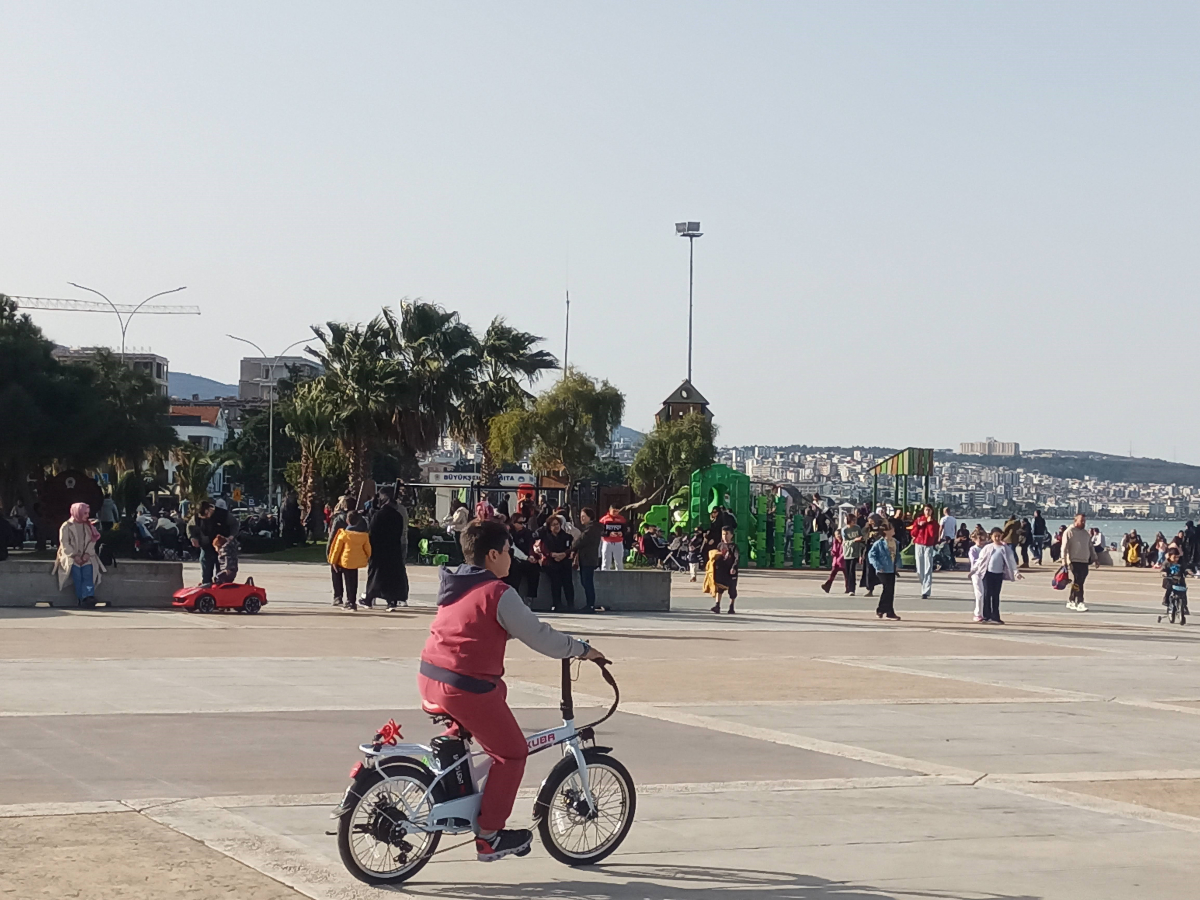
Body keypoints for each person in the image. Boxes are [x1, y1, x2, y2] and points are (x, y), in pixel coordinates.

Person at [418, 519, 606, 861]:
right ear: (492, 554)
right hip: (463, 687)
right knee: (512, 753)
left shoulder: (456, 584)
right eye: (508, 551)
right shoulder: (498, 593)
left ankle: (457, 788)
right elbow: (540, 636)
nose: (512, 558)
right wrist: (581, 649)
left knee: (496, 693)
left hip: (432, 676)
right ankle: (489, 835)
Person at [365, 486, 410, 611]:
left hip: (379, 549)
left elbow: (372, 532)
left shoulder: (378, 515)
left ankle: (370, 597)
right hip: (393, 548)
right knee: (393, 573)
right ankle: (392, 600)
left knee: (376, 573)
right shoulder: (398, 515)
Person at [53, 502, 105, 605]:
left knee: (88, 572)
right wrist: (74, 555)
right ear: (77, 512)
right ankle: (82, 598)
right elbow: (64, 544)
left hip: (87, 556)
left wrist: (87, 554)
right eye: (85, 513)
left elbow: (92, 541)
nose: (87, 516)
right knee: (77, 573)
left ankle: (89, 596)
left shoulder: (88, 526)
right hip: (70, 556)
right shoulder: (66, 526)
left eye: (87, 513)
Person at [971, 527, 1022, 624]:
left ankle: (995, 616)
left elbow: (1011, 561)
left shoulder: (1005, 548)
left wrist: (1016, 572)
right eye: (995, 536)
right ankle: (986, 616)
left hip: (998, 575)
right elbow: (980, 560)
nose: (997, 538)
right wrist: (973, 570)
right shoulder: (988, 547)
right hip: (987, 574)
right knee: (987, 594)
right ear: (991, 536)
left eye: (999, 536)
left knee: (995, 595)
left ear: (1002, 536)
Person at [329, 511, 372, 611]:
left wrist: (333, 561)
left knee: (347, 581)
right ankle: (352, 601)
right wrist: (367, 557)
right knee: (353, 582)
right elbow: (368, 550)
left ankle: (348, 602)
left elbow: (336, 550)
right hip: (355, 562)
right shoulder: (363, 536)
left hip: (345, 561)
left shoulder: (343, 535)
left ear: (347, 521)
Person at [536, 515, 574, 611]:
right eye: (553, 525)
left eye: (557, 524)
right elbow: (543, 549)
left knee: (567, 582)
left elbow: (570, 549)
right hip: (551, 563)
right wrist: (553, 555)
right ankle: (557, 604)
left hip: (564, 562)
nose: (556, 527)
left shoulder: (567, 537)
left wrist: (563, 554)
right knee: (556, 582)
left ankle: (571, 604)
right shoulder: (546, 538)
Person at [1061, 514, 1096, 612]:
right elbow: (1064, 547)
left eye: (1084, 521)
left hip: (1084, 560)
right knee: (1078, 580)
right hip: (1073, 560)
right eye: (1082, 521)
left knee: (1079, 581)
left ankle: (1071, 600)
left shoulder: (1085, 533)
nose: (1084, 523)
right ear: (1075, 521)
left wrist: (1095, 557)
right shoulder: (1069, 532)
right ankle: (1080, 602)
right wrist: (1064, 561)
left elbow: (1090, 546)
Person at [867, 522, 900, 620]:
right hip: (882, 570)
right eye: (891, 528)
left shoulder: (895, 542)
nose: (894, 530)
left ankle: (888, 611)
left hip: (891, 569)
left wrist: (898, 564)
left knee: (890, 591)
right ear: (886, 531)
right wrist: (877, 565)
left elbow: (897, 555)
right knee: (887, 589)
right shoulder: (879, 543)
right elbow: (871, 555)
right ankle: (881, 610)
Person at [505, 515, 540, 602]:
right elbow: (512, 548)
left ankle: (530, 596)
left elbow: (531, 546)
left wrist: (531, 556)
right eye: (520, 523)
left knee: (534, 569)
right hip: (513, 559)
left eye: (524, 523)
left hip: (526, 558)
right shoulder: (509, 533)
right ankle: (514, 596)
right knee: (514, 571)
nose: (522, 525)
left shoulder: (527, 533)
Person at [574, 507, 602, 613]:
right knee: (585, 581)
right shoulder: (590, 528)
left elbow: (580, 541)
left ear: (590, 517)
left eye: (584, 517)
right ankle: (589, 604)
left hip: (588, 559)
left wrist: (572, 547)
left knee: (587, 582)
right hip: (586, 558)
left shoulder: (591, 529)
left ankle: (590, 604)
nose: (582, 519)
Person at [706, 526, 739, 614]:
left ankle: (731, 606)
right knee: (719, 588)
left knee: (732, 590)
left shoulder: (734, 547)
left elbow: (737, 558)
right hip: (722, 570)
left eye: (727, 534)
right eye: (723, 534)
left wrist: (734, 567)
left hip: (731, 571)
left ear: (731, 535)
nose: (725, 536)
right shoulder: (720, 545)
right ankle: (717, 605)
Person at [909, 505, 938, 600]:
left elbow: (933, 534)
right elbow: (913, 533)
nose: (928, 511)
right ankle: (923, 583)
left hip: (928, 545)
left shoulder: (934, 522)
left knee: (928, 567)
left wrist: (929, 524)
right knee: (920, 568)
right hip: (919, 544)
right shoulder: (918, 520)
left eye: (929, 510)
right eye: (926, 510)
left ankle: (925, 591)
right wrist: (920, 525)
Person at [1160, 546, 1189, 623]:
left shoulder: (1181, 562)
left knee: (1184, 590)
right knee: (1169, 588)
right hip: (1170, 579)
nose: (1176, 559)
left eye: (1177, 557)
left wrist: (1188, 571)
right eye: (1174, 557)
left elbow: (1185, 568)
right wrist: (1164, 573)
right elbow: (1163, 569)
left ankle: (1184, 605)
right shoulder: (1167, 563)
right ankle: (1166, 600)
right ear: (1169, 556)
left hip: (1180, 580)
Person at [839, 513, 864, 595]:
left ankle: (852, 589)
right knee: (847, 571)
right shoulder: (844, 530)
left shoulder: (857, 528)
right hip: (847, 552)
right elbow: (845, 542)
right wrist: (854, 540)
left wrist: (861, 554)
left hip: (855, 552)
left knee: (852, 570)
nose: (855, 522)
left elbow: (861, 540)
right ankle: (848, 587)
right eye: (853, 520)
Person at [967, 530, 988, 622]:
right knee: (979, 593)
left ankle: (984, 613)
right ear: (974, 539)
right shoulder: (973, 549)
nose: (981, 541)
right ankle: (978, 613)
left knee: (985, 593)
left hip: (986, 572)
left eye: (983, 539)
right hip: (976, 573)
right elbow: (974, 561)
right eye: (979, 539)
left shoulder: (987, 548)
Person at [599, 506, 627, 571]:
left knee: (619, 562)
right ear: (610, 510)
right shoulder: (604, 519)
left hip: (618, 542)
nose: (615, 513)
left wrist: (622, 533)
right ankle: (605, 577)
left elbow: (625, 530)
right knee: (606, 561)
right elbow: (600, 531)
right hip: (607, 542)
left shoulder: (622, 519)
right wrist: (609, 534)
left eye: (617, 511)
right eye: (614, 511)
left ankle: (620, 578)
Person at [820, 529, 845, 594]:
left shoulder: (844, 541)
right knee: (832, 575)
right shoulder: (835, 542)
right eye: (837, 535)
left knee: (847, 576)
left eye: (839, 534)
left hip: (843, 561)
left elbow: (844, 552)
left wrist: (840, 558)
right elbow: (834, 550)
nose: (838, 536)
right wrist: (832, 552)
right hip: (836, 561)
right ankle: (827, 586)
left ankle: (848, 588)